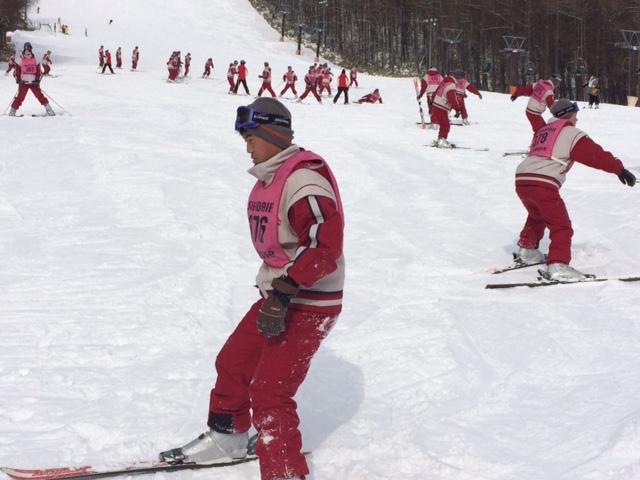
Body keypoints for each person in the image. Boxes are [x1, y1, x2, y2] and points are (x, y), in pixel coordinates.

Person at [158, 97, 345, 480]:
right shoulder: (273, 177)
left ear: (273, 134)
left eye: (251, 138)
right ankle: (228, 437)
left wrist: (286, 289)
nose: (247, 148)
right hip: (281, 295)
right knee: (233, 363)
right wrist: (279, 292)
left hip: (309, 301)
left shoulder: (304, 180)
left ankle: (285, 473)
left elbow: (325, 247)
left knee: (270, 393)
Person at [513, 99, 635, 281]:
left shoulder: (544, 131)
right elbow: (595, 155)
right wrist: (619, 169)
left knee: (538, 215)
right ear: (568, 114)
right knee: (560, 225)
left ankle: (527, 250)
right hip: (542, 182)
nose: (576, 119)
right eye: (575, 115)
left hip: (522, 179)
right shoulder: (569, 132)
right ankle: (558, 265)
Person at [8, 42, 55, 117]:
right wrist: (19, 80)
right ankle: (12, 111)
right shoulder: (19, 60)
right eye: (26, 50)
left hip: (33, 83)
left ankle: (49, 110)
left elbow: (39, 72)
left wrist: (37, 80)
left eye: (29, 50)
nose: (27, 52)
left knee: (40, 96)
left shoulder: (35, 60)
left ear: (31, 51)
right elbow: (16, 72)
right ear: (24, 50)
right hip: (24, 83)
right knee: (20, 97)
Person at [430, 73, 461, 148]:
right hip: (441, 106)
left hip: (437, 105)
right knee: (445, 125)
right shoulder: (451, 85)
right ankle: (442, 140)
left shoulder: (445, 82)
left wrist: (432, 101)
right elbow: (452, 99)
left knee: (444, 124)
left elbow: (436, 91)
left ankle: (440, 139)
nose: (462, 81)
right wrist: (457, 109)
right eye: (462, 78)